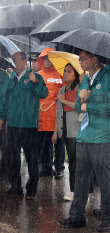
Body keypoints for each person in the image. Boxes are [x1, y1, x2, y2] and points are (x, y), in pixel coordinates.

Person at [60, 51, 110, 232]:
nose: (79, 62)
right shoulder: (85, 79)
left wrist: (88, 105)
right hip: (85, 135)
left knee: (105, 181)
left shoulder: (108, 76)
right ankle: (77, 216)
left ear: (95, 59)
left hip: (102, 137)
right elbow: (79, 106)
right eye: (79, 58)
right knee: (81, 178)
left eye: (82, 59)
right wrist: (81, 98)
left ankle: (107, 219)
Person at [0, 51, 48, 200]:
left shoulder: (35, 76)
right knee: (12, 157)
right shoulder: (11, 78)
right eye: (12, 60)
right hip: (13, 125)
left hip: (29, 125)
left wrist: (36, 83)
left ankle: (31, 189)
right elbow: (7, 100)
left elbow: (44, 94)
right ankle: (15, 186)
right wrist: (2, 117)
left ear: (24, 60)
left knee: (31, 158)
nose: (13, 63)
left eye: (15, 60)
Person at [52, 63, 82, 201]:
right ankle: (75, 191)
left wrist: (64, 101)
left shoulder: (79, 88)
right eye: (64, 71)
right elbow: (58, 112)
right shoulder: (62, 90)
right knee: (72, 161)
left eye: (69, 71)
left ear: (76, 74)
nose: (65, 73)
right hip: (65, 131)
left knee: (76, 163)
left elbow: (79, 107)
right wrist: (55, 132)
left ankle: (77, 192)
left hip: (76, 131)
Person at [37, 48, 66, 179]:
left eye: (49, 58)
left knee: (59, 143)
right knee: (44, 143)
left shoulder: (61, 75)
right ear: (41, 60)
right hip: (42, 116)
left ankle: (59, 168)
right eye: (44, 59)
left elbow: (66, 92)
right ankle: (47, 167)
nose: (47, 61)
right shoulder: (38, 75)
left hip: (56, 115)